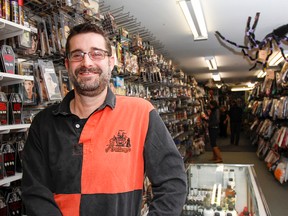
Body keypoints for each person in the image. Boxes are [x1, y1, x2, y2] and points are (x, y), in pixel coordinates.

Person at [21, 22, 187, 216]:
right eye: (77, 55)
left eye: (96, 53)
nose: (87, 63)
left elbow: (173, 182)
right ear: (67, 64)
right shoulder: (43, 123)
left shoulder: (141, 113)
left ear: (111, 61)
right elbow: (35, 192)